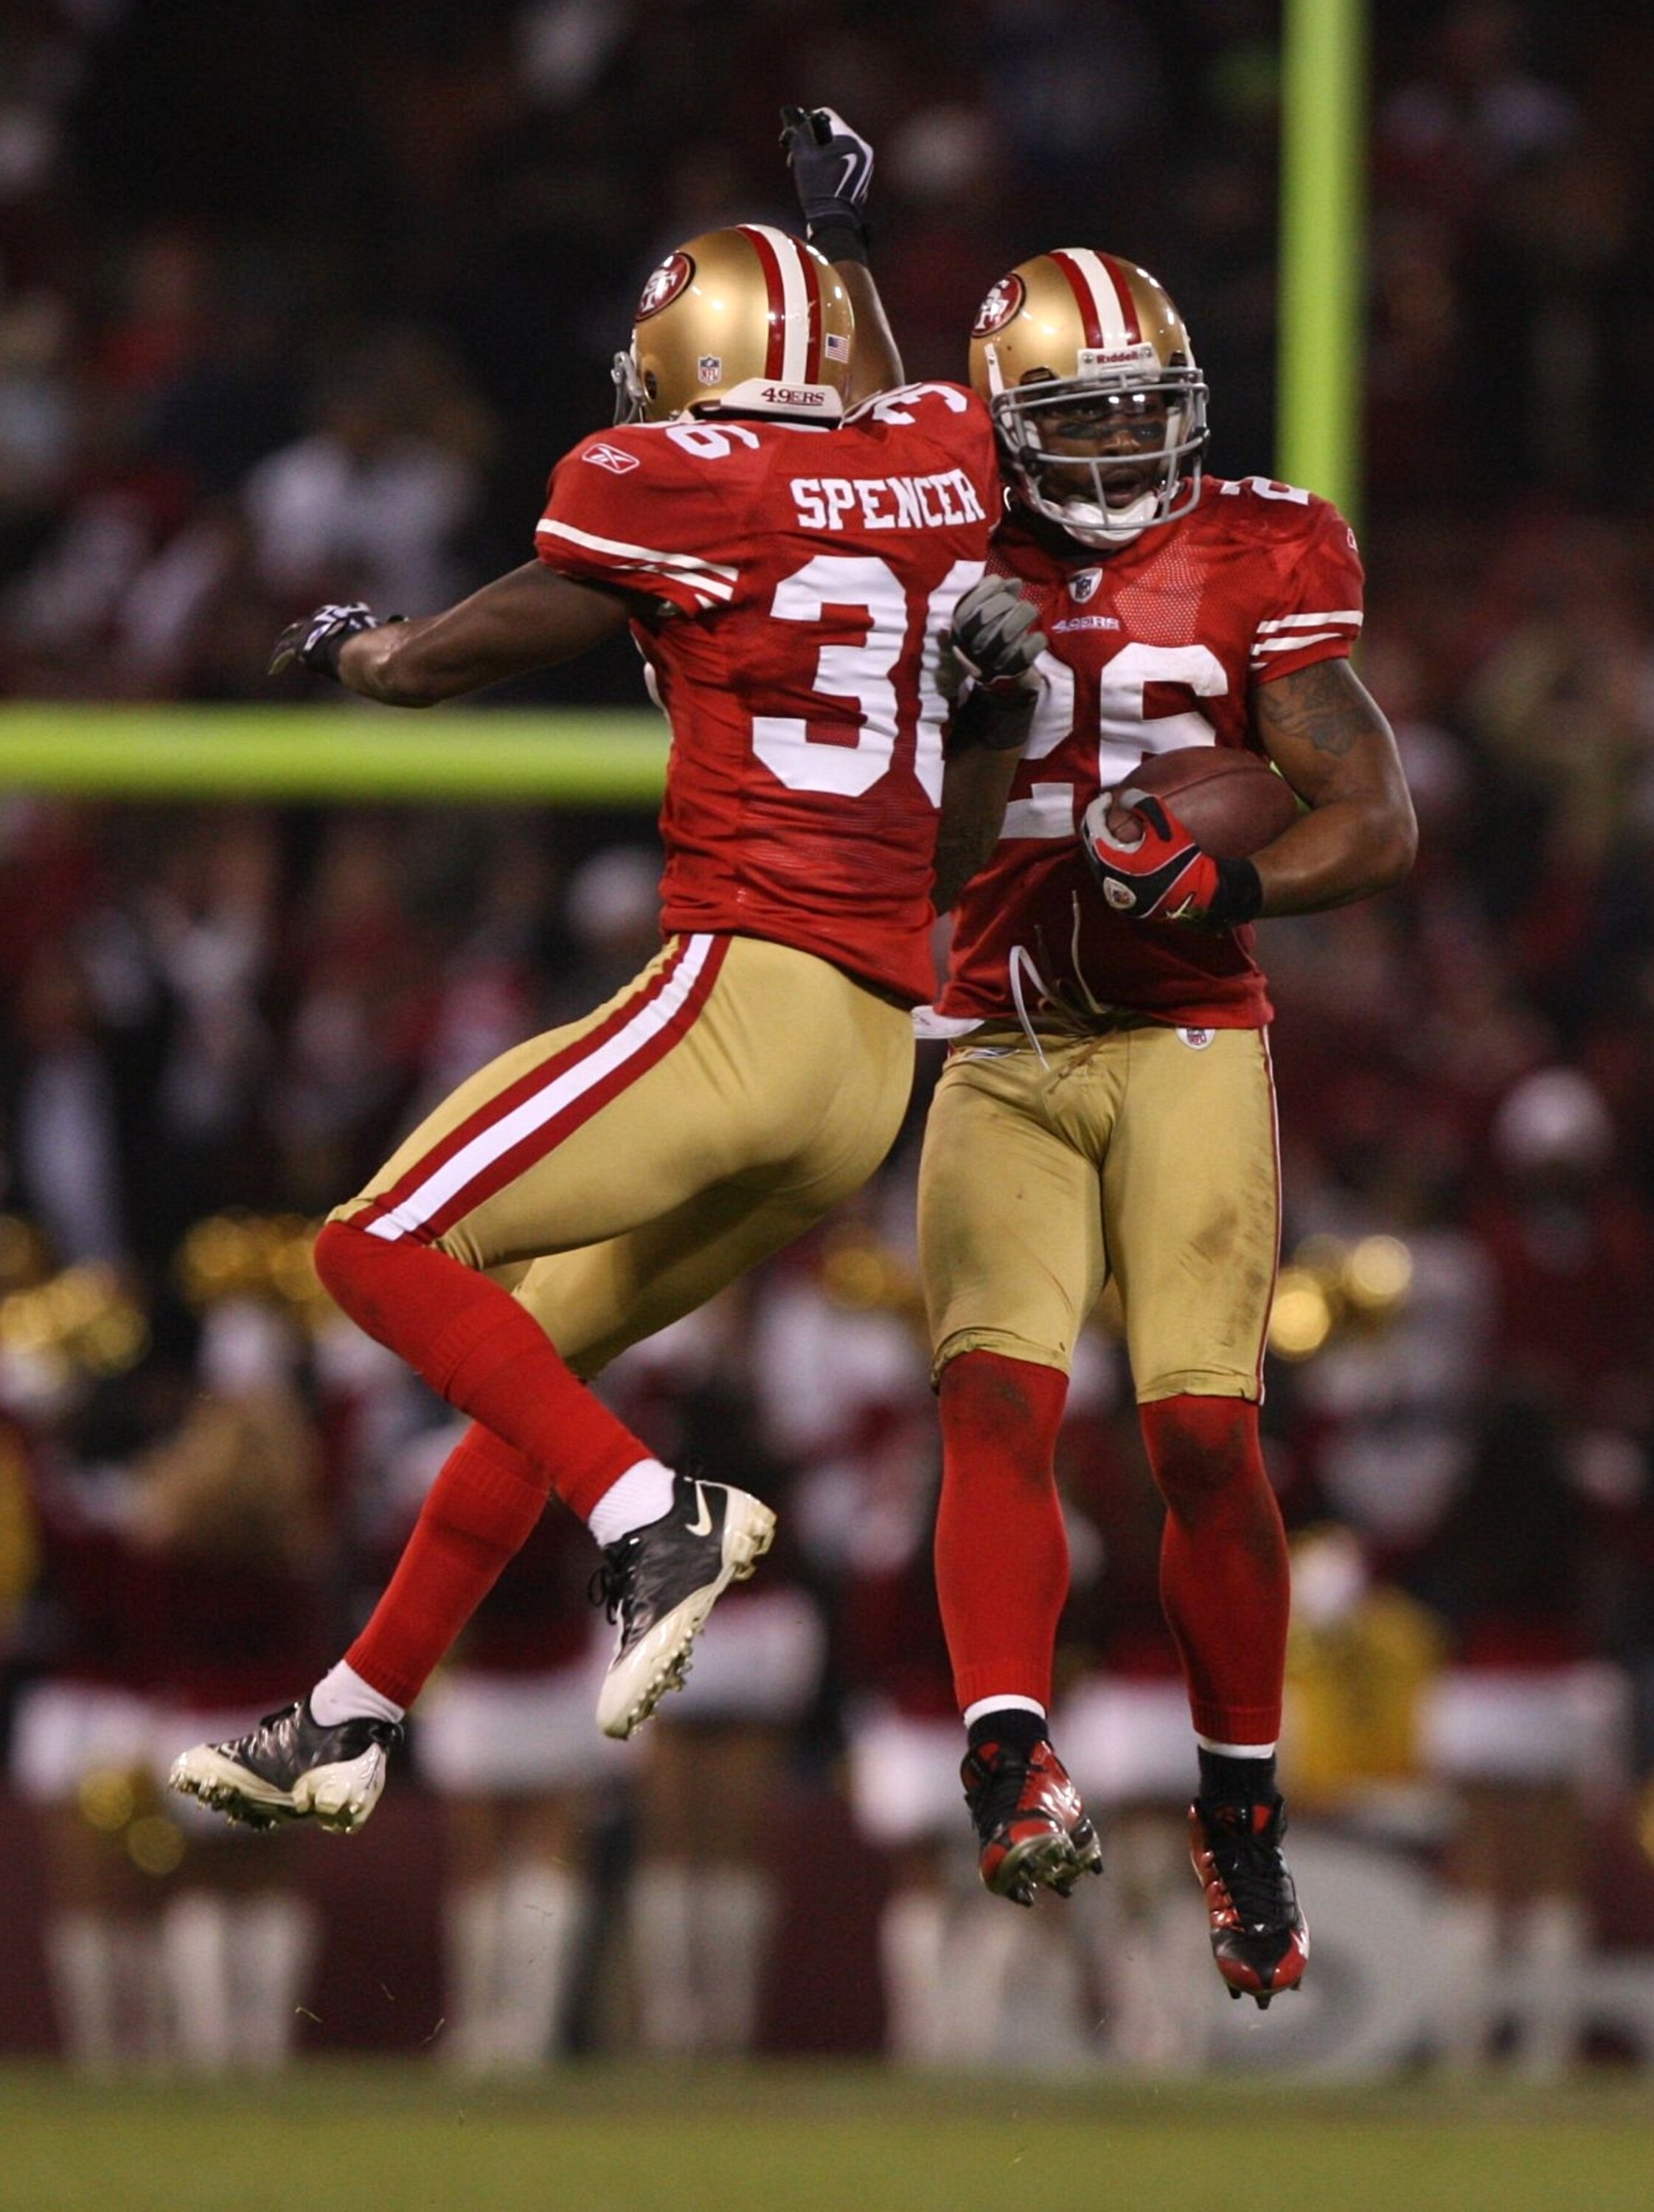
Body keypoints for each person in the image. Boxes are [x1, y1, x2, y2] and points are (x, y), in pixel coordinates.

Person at [169, 215, 1046, 1835]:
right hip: (867, 1060)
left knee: (374, 1249)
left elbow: (433, 667)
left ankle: (654, 1515)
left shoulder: (673, 480)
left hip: (746, 990)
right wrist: (844, 248)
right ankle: (355, 1717)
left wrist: (354, 648)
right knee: (538, 1360)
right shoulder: (941, 455)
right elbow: (951, 837)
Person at [780, 108, 1417, 2006]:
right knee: (992, 1411)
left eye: (1152, 408)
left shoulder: (1264, 549)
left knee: (1204, 1434)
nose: (1130, 449)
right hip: (992, 1033)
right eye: (1083, 416)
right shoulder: (943, 540)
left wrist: (1225, 880)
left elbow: (1372, 815)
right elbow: (938, 848)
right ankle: (1005, 1746)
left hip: (1191, 1032)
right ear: (1003, 425)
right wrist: (971, 707)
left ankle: (1238, 1813)